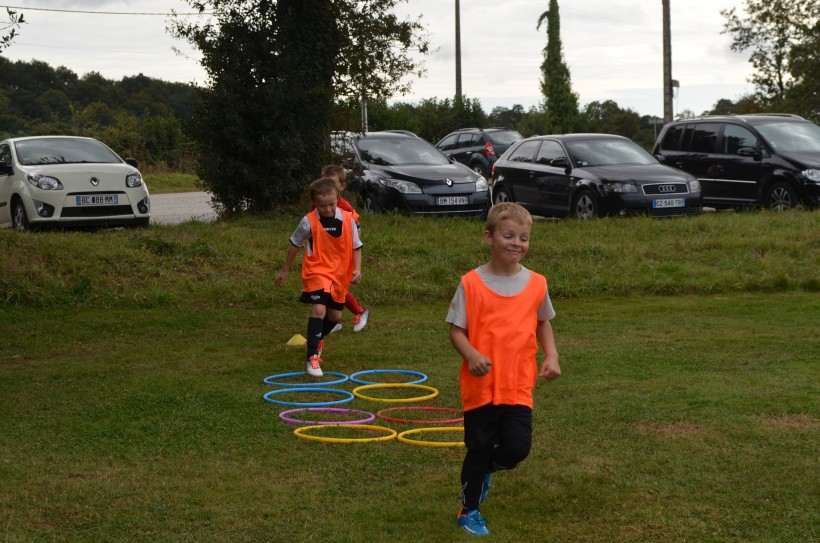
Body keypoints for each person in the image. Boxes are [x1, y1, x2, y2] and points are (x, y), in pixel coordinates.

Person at [445, 202, 561, 536]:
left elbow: (543, 323)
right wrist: (470, 354)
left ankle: (485, 471)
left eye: (524, 238)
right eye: (508, 235)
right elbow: (456, 330)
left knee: (517, 448)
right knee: (478, 448)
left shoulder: (537, 283)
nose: (517, 243)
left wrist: (551, 356)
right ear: (489, 237)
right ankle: (469, 511)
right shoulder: (471, 283)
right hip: (481, 386)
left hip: (518, 385)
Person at [275, 177, 363, 377]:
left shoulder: (348, 219)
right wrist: (285, 270)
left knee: (336, 316)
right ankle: (312, 357)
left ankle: (317, 338)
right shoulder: (308, 221)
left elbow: (357, 246)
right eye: (322, 206)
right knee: (318, 309)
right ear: (314, 202)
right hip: (317, 271)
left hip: (339, 275)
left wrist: (357, 269)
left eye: (332, 204)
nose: (328, 209)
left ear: (338, 198)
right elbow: (295, 244)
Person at [315, 164, 370, 333]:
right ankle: (334, 320)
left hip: (341, 257)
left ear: (342, 186)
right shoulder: (317, 203)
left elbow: (356, 232)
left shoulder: (345, 207)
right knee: (328, 288)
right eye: (324, 182)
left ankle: (360, 312)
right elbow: (312, 223)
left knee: (335, 288)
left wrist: (349, 253)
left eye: (332, 183)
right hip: (324, 256)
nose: (328, 186)